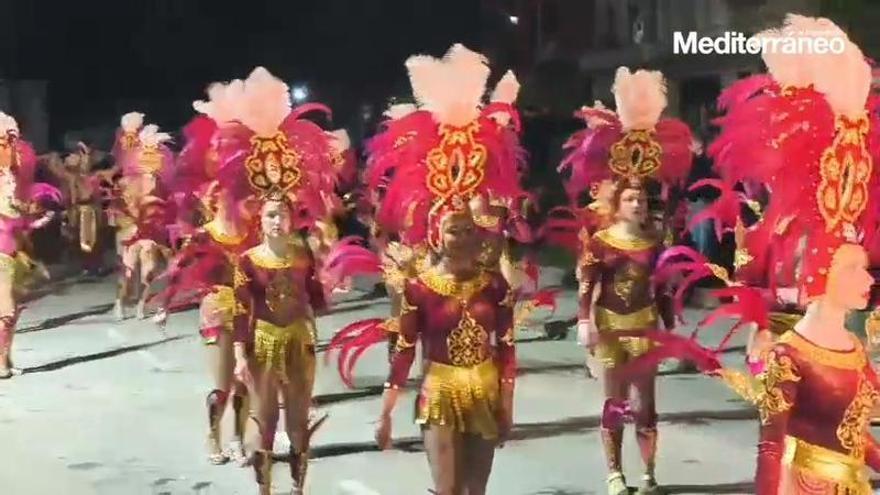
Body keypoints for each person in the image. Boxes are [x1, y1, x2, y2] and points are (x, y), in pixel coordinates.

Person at [624, 15, 880, 494]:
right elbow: (750, 281)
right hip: (785, 333)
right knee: (789, 429)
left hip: (827, 327)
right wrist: (761, 327)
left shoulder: (833, 222)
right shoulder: (769, 229)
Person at [327, 44, 525, 495]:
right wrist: (385, 412)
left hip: (486, 389)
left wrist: (508, 402)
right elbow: (403, 351)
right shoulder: (421, 287)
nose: (467, 236)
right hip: (439, 392)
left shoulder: (492, 284)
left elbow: (507, 346)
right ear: (436, 236)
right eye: (456, 231)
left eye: (471, 229)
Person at [201, 67, 339, 495]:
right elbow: (222, 283)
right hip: (237, 318)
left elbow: (314, 294)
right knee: (226, 387)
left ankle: (284, 474)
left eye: (280, 213)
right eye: (269, 213)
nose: (275, 218)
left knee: (284, 412)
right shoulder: (225, 235)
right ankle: (218, 436)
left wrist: (327, 275)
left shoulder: (293, 248)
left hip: (285, 330)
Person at [153, 88, 258, 465]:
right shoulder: (204, 235)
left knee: (248, 379)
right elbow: (179, 267)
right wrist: (164, 306)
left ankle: (238, 439)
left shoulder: (257, 230)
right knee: (224, 383)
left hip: (252, 308)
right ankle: (213, 435)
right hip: (216, 308)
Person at [0, 112, 61, 378]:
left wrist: (39, 218)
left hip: (18, 245)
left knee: (15, 308)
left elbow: (22, 215)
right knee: (7, 307)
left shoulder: (15, 180)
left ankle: (6, 359)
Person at [108, 113, 173, 320]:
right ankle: (119, 302)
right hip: (131, 227)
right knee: (127, 271)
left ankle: (141, 305)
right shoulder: (127, 183)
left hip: (152, 229)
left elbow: (168, 206)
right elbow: (118, 206)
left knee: (149, 271)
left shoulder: (162, 186)